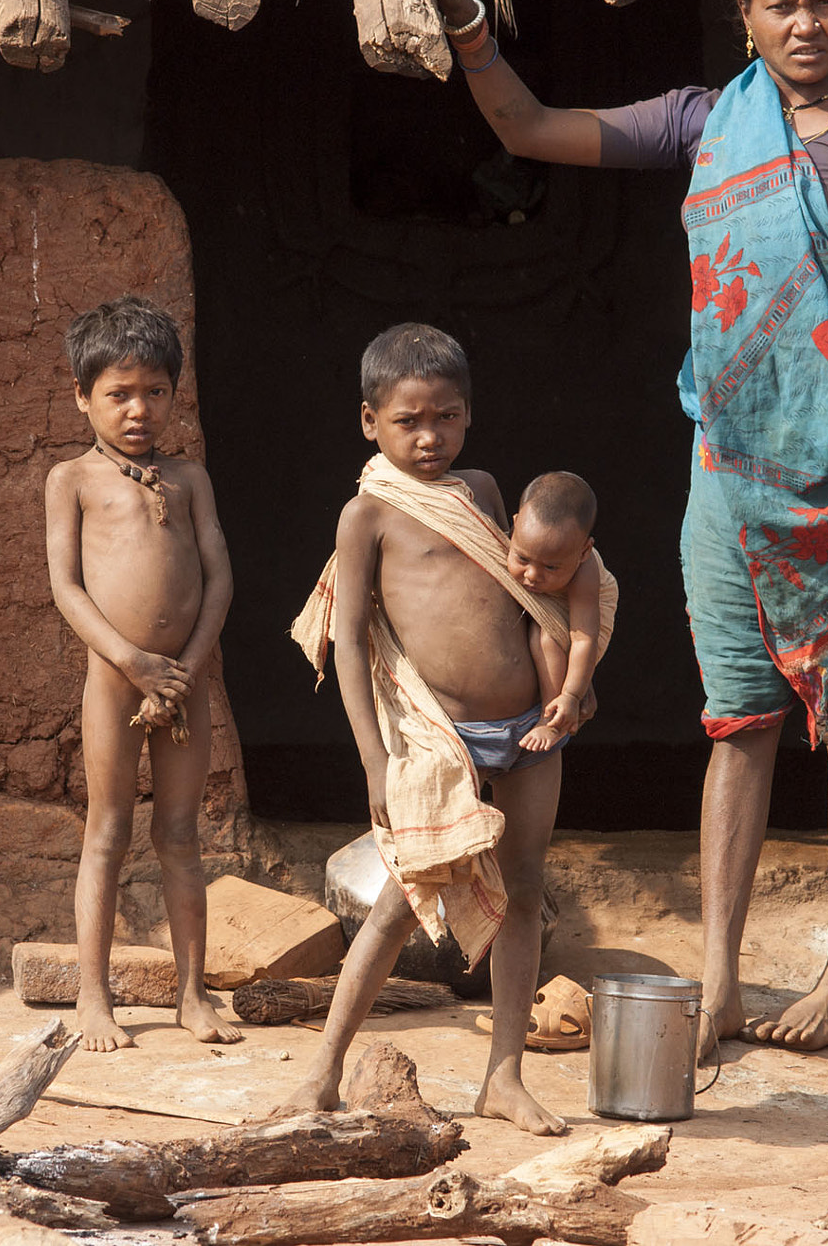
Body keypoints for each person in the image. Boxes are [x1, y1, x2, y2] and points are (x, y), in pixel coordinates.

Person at [380, 0, 828, 1057]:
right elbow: (528, 126)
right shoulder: (707, 123)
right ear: (742, 16)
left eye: (824, 1)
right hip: (726, 470)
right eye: (781, 4)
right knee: (735, 722)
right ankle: (727, 982)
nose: (805, 21)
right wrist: (456, 9)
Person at [283, 325, 615, 1135]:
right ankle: (322, 1072)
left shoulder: (485, 490)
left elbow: (536, 585)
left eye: (447, 417)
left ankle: (503, 1075)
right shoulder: (367, 515)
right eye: (408, 421)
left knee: (526, 890)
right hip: (439, 741)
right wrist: (374, 756)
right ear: (370, 422)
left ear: (469, 416)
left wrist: (569, 680)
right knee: (401, 902)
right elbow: (352, 640)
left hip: (528, 728)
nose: (429, 436)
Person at [44, 296, 241, 1051]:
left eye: (154, 391)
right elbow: (67, 586)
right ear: (81, 396)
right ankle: (95, 1001)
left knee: (182, 833)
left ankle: (194, 996)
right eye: (118, 393)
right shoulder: (72, 480)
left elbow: (219, 578)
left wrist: (186, 667)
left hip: (186, 684)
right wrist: (130, 659)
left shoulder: (190, 477)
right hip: (116, 680)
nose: (138, 409)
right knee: (107, 831)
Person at [505, 472, 605, 754]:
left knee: (545, 635)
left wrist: (572, 695)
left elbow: (585, 638)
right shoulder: (507, 539)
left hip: (587, 616)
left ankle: (551, 720)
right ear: (514, 526)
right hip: (554, 599)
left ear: (584, 551)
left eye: (551, 567)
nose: (532, 575)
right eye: (522, 559)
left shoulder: (585, 571)